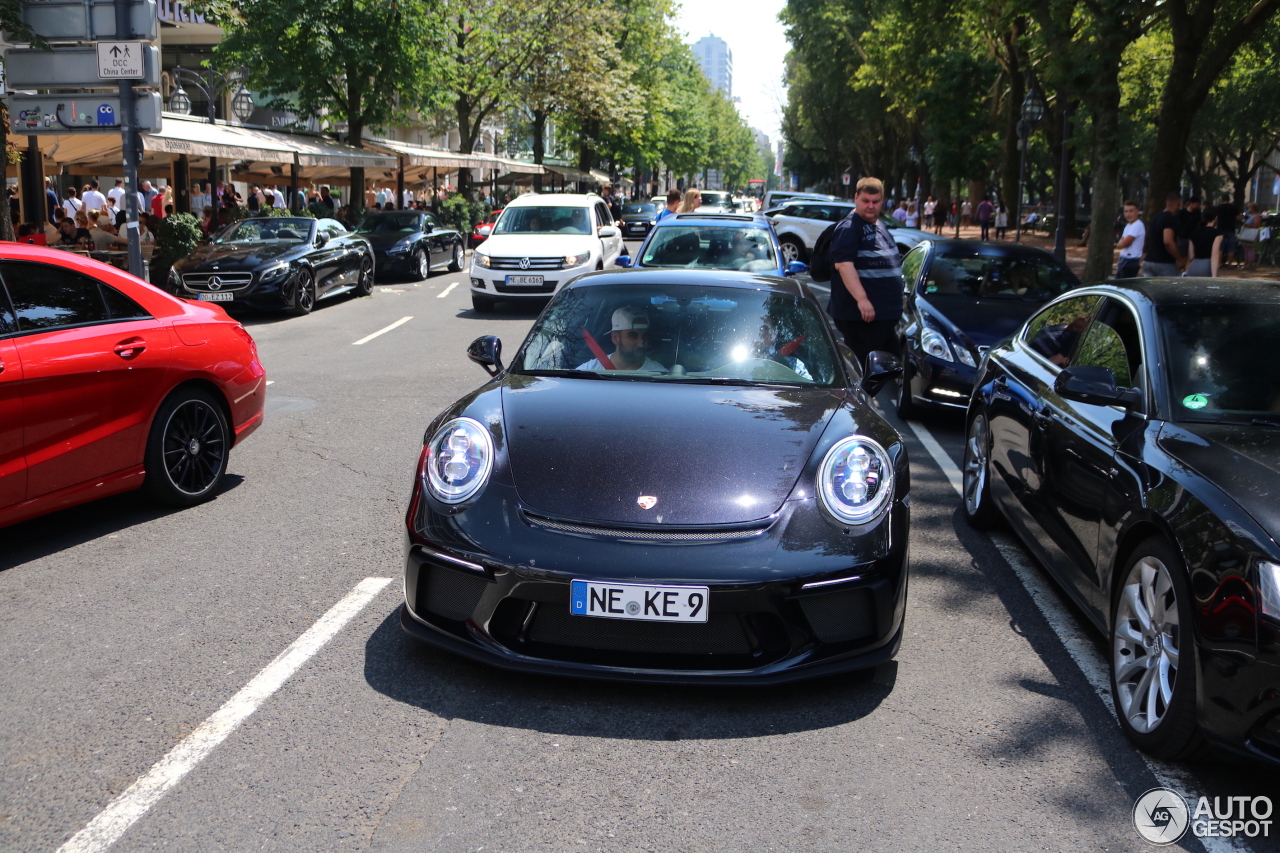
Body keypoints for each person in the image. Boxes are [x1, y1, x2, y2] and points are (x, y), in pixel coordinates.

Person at [829, 176, 903, 369]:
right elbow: (844, 265)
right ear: (856, 198)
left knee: (895, 368)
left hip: (883, 316)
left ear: (882, 201)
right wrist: (862, 299)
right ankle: (858, 399)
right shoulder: (849, 228)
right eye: (866, 201)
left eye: (875, 201)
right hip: (862, 317)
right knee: (864, 371)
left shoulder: (878, 225)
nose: (870, 206)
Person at [576, 306, 666, 372]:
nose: (641, 344)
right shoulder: (587, 372)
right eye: (633, 336)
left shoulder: (661, 375)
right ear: (615, 338)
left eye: (645, 336)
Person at [755, 316, 811, 380]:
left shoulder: (794, 363)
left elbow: (808, 384)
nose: (769, 334)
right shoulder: (749, 361)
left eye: (773, 330)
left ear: (776, 334)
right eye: (764, 330)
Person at [1144, 191, 1185, 277]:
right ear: (1179, 203)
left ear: (1166, 202)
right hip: (1164, 263)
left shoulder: (1155, 218)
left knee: (1150, 290)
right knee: (1171, 289)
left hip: (1148, 261)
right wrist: (1179, 258)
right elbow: (1168, 241)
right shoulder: (1170, 218)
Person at [1185, 207, 1222, 278]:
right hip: (1207, 266)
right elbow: (1215, 255)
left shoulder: (1194, 233)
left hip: (1194, 266)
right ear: (1216, 218)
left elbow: (1191, 256)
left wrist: (1186, 271)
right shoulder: (1217, 234)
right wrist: (1214, 276)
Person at [1115, 200, 1146, 279]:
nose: (1128, 214)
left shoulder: (1137, 225)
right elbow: (1121, 241)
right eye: (1126, 211)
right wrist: (1120, 243)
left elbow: (1125, 243)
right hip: (1124, 259)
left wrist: (1119, 244)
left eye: (1131, 211)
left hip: (1130, 261)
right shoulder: (1128, 225)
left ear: (1137, 212)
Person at [1217, 195, 1241, 265]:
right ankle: (1230, 263)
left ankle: (1219, 263)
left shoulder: (1219, 208)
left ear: (1222, 200)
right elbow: (1238, 218)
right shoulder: (1233, 207)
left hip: (1221, 229)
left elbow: (1216, 217)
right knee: (1231, 247)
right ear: (1229, 200)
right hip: (1231, 229)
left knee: (1220, 247)